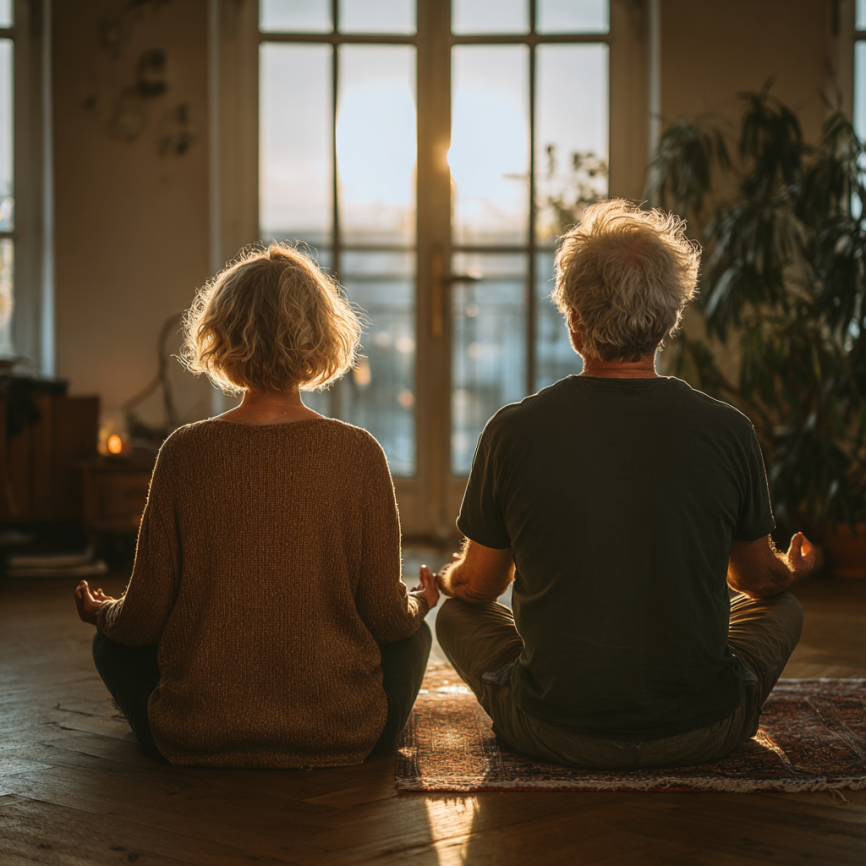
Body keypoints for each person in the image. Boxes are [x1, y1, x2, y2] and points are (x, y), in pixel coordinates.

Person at [435, 199, 814, 770]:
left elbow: (479, 589)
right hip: (704, 733)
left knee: (454, 615)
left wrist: (446, 579)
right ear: (670, 317)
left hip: (550, 731)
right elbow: (755, 580)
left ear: (573, 320)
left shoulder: (512, 430)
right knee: (784, 610)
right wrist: (792, 569)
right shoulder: (729, 429)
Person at [74, 243, 439, 768]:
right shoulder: (359, 452)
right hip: (343, 734)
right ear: (323, 337)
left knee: (109, 646)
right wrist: (420, 602)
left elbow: (143, 619)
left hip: (193, 736)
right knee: (413, 638)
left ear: (220, 336)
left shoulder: (183, 452)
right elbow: (385, 616)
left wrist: (101, 613)